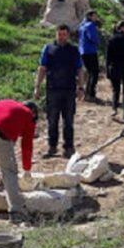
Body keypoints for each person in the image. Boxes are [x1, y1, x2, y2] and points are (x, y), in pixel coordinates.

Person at [34, 25, 85, 158]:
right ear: (56, 34)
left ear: (68, 35)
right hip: (52, 89)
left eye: (64, 34)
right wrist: (37, 86)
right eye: (59, 34)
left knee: (68, 120)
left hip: (69, 90)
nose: (61, 37)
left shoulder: (74, 50)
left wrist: (81, 87)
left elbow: (79, 69)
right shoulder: (48, 49)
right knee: (52, 120)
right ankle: (52, 146)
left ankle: (68, 147)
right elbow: (42, 68)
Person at [78, 10, 101, 101]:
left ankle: (87, 93)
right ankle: (90, 94)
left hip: (83, 51)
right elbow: (93, 38)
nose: (96, 18)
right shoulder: (91, 25)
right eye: (94, 16)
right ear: (90, 16)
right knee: (94, 73)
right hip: (91, 51)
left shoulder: (81, 26)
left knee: (89, 72)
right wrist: (98, 42)